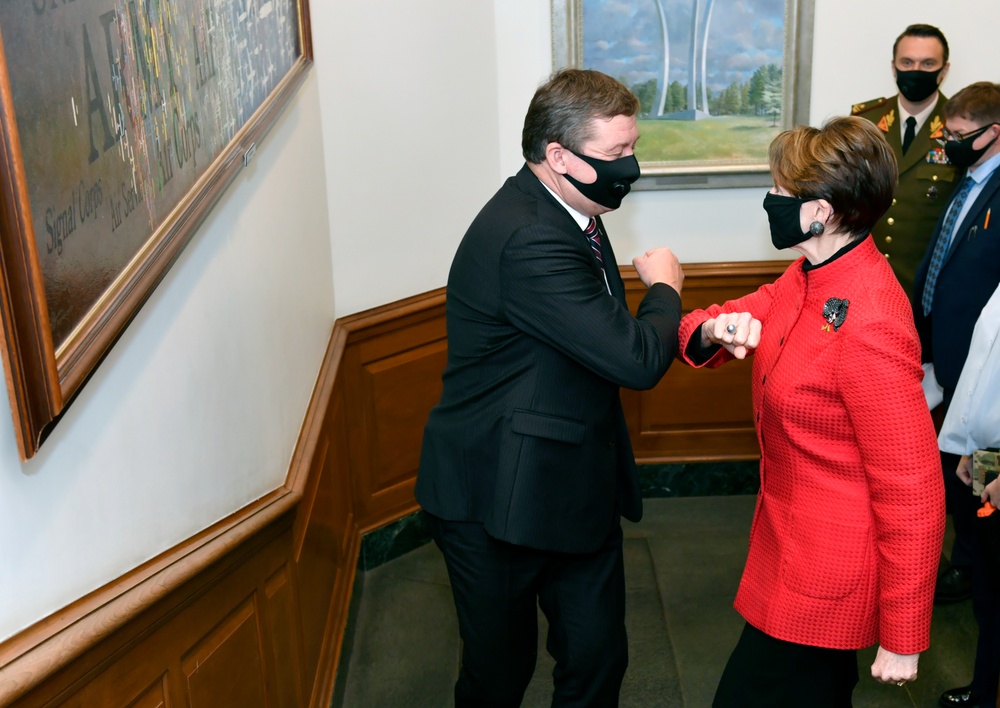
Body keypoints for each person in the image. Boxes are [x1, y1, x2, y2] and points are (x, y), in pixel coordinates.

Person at [415, 68, 684, 707]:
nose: (632, 166)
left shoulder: (574, 206)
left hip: (569, 480)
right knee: (497, 677)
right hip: (497, 493)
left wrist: (689, 335)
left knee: (596, 662)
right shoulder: (531, 234)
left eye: (633, 146)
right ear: (558, 155)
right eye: (617, 153)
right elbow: (635, 358)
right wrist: (668, 288)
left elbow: (590, 335)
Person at [675, 117, 945, 707]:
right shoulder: (808, 276)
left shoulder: (871, 319)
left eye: (778, 192)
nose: (768, 201)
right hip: (787, 548)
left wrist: (904, 634)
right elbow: (708, 323)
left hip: (828, 577)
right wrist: (715, 329)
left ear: (819, 210)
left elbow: (913, 489)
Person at [914, 81, 1000, 607]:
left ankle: (971, 566)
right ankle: (966, 558)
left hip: (980, 357)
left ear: (994, 133)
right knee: (952, 467)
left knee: (972, 472)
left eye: (961, 134)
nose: (949, 141)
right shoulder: (964, 180)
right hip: (942, 348)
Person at [851, 23, 957, 298]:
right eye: (907, 62)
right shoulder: (865, 122)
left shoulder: (960, 128)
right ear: (894, 66)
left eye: (928, 63)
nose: (916, 71)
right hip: (863, 281)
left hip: (926, 288)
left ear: (944, 70)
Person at [937, 283, 1000, 708]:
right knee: (990, 586)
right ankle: (984, 688)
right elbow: (983, 361)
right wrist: (964, 440)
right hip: (988, 455)